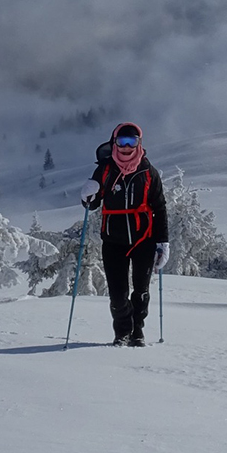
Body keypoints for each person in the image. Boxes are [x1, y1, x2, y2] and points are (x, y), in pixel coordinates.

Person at [80, 122, 169, 347]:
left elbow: (159, 208)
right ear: (114, 143)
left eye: (132, 142)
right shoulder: (106, 170)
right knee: (118, 296)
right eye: (122, 142)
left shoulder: (148, 172)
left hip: (144, 239)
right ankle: (122, 331)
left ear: (140, 143)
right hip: (113, 241)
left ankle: (136, 332)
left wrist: (163, 242)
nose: (127, 147)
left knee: (141, 291)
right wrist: (87, 196)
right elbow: (92, 204)